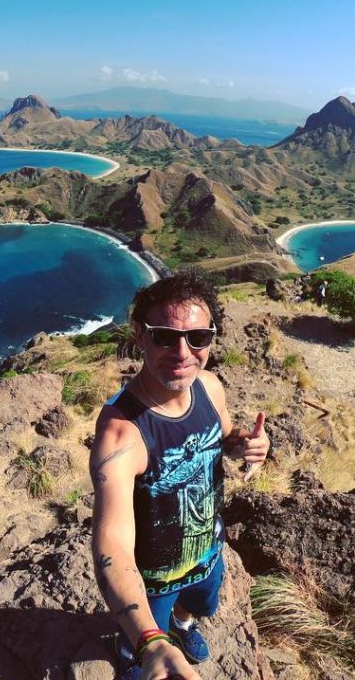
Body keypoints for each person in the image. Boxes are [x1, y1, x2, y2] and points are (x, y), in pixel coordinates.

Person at [90, 271, 270, 680]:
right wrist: (150, 641)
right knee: (140, 640)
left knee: (201, 606)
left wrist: (245, 444)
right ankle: (134, 649)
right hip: (150, 580)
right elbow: (111, 544)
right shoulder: (122, 431)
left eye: (198, 337)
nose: (183, 351)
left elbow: (222, 436)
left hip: (208, 552)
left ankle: (183, 626)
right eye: (164, 336)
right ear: (140, 335)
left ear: (211, 337)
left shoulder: (209, 387)